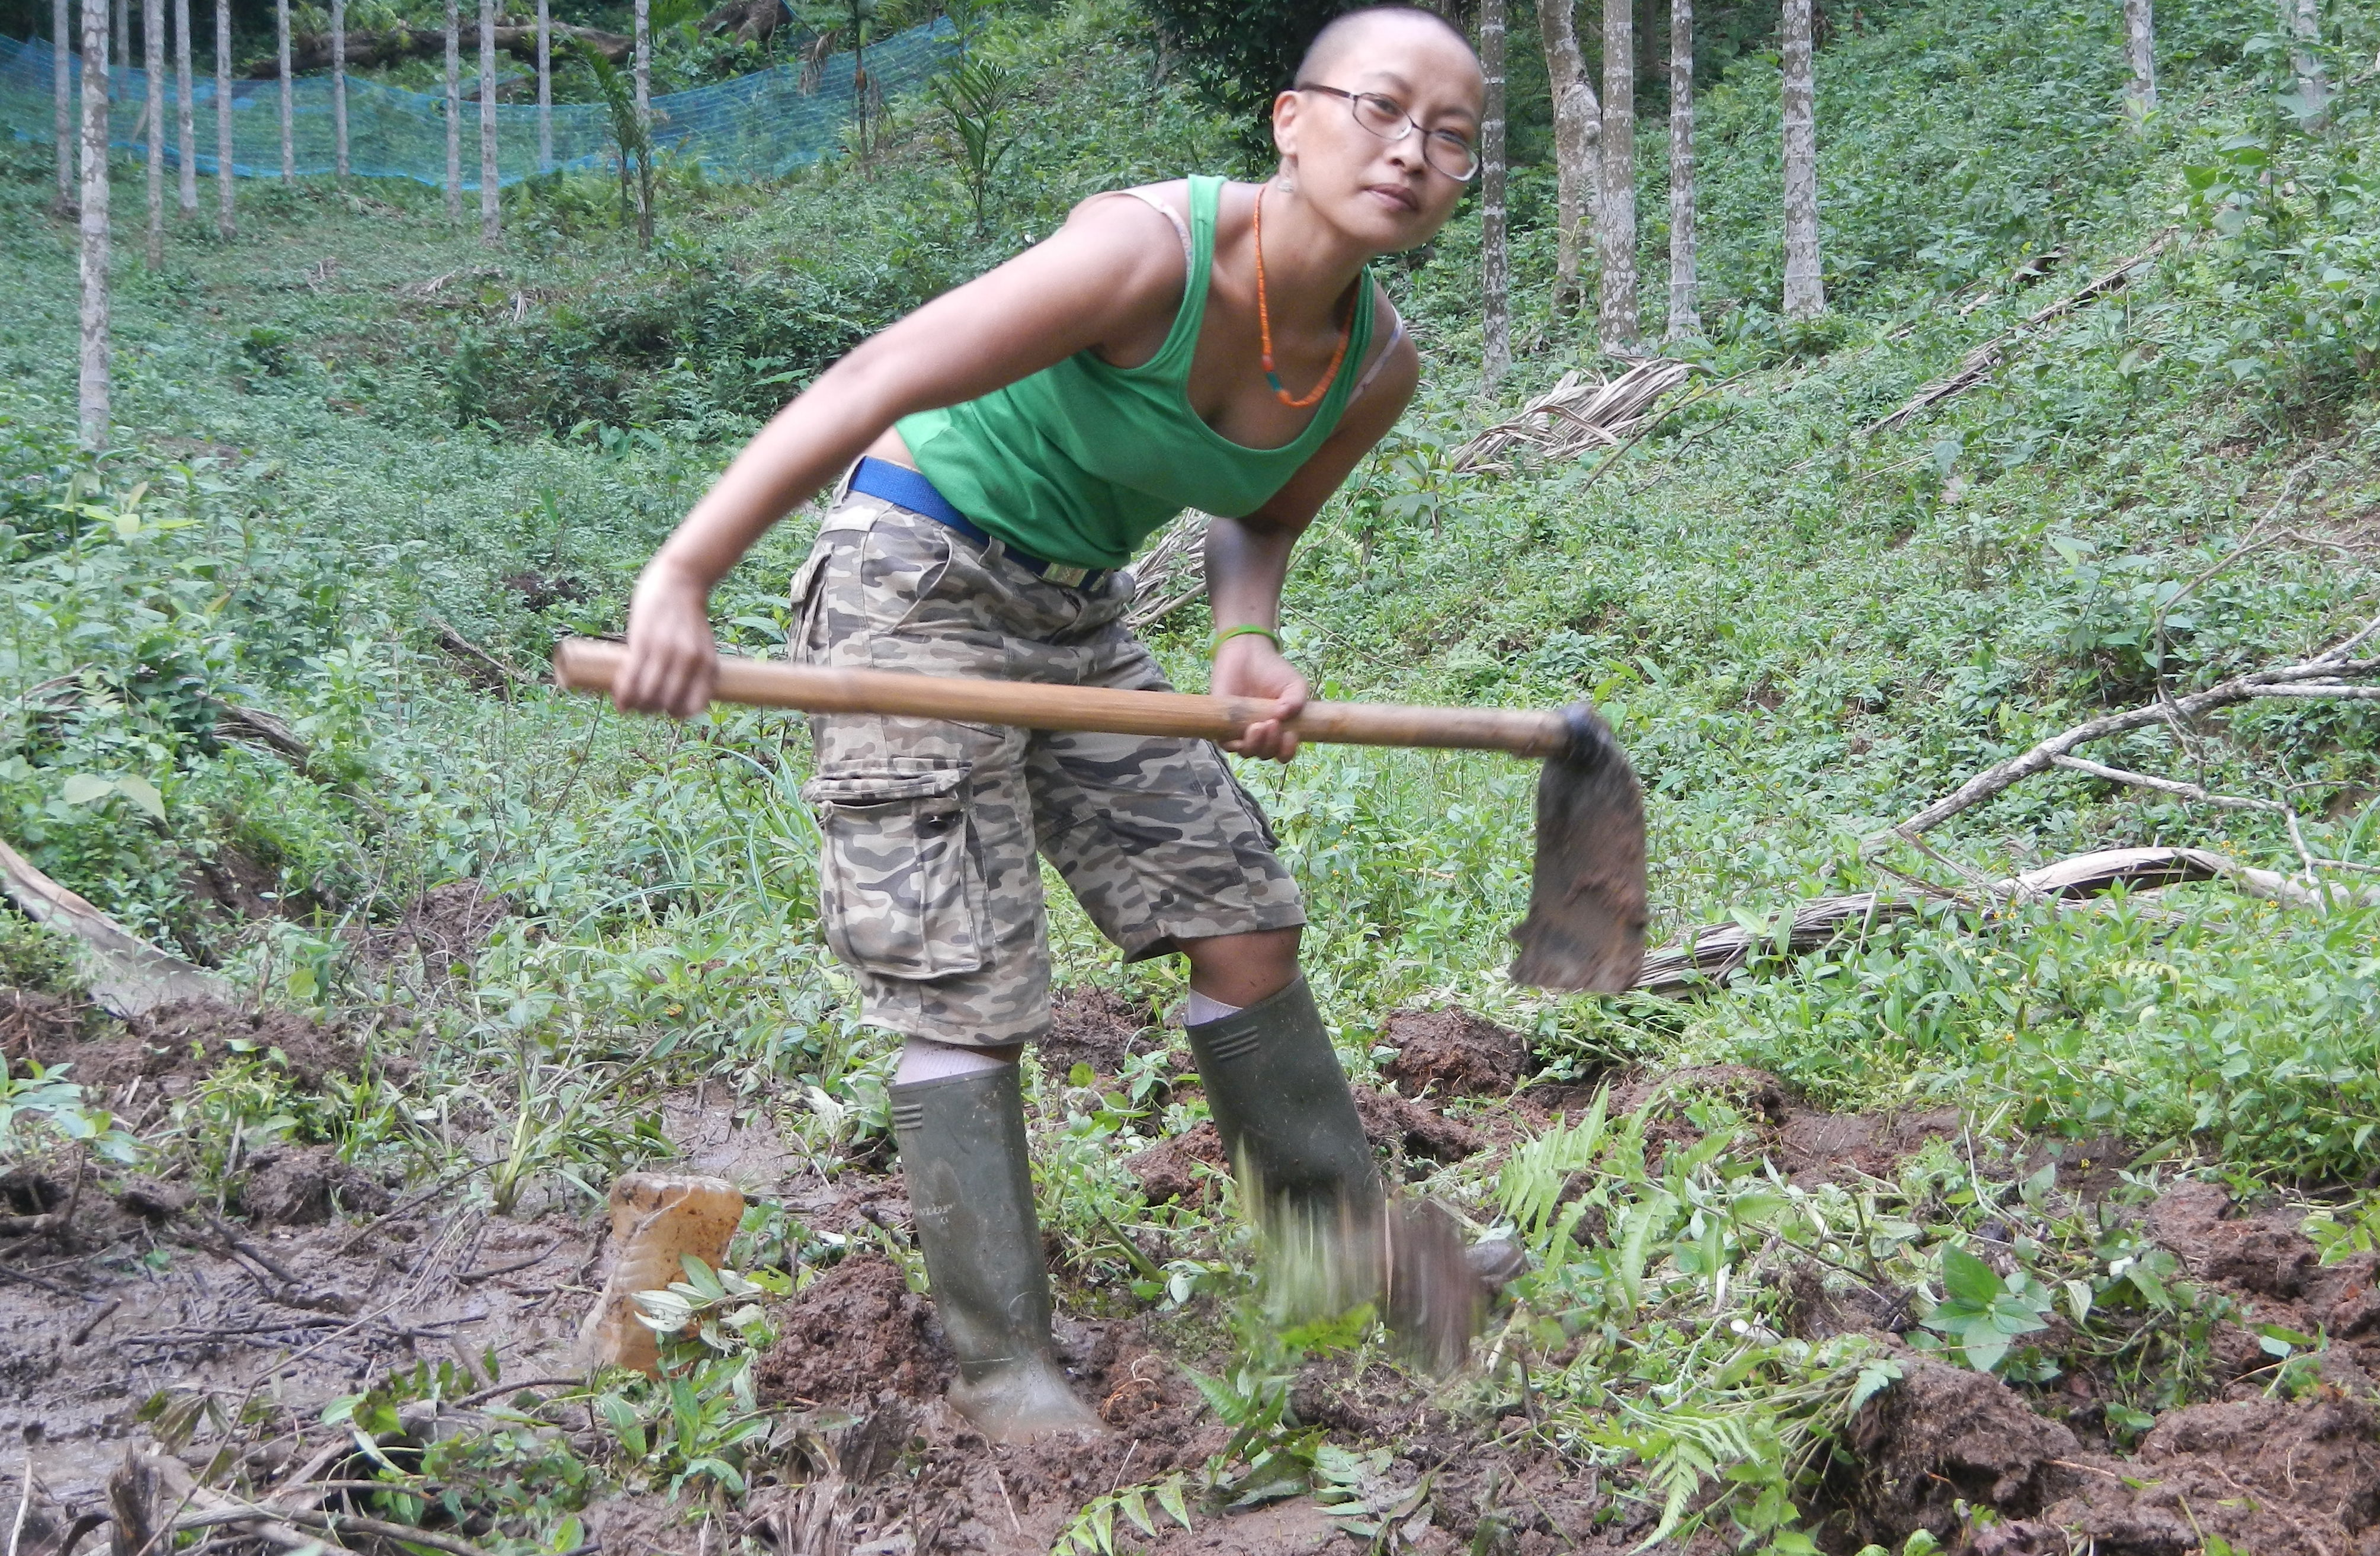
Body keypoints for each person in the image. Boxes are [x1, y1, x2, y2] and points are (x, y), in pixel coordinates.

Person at [610, 5, 1491, 1442]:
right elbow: (873, 376)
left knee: (1241, 910)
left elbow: (1259, 512)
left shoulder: (1373, 363)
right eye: (1379, 107)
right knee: (962, 975)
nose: (1409, 149)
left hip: (1076, 610)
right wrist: (683, 574)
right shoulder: (1147, 250)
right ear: (1290, 117)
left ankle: (1335, 1246)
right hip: (913, 571)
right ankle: (1002, 1363)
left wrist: (1246, 640)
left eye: (1448, 134)